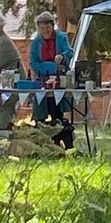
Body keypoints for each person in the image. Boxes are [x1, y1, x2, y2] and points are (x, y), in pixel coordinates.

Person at [29, 11, 75, 147]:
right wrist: (50, 67)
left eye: (47, 27)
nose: (45, 31)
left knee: (57, 112)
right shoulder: (36, 42)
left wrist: (62, 56)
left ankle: (59, 142)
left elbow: (69, 52)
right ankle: (42, 143)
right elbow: (33, 63)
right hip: (42, 81)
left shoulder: (61, 37)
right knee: (41, 112)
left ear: (52, 26)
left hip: (59, 80)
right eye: (42, 28)